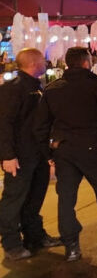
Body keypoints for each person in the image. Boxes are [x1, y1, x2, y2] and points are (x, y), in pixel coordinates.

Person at [31, 46, 97, 262]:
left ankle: (71, 246)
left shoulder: (52, 89)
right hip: (93, 149)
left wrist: (48, 153)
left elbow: (40, 126)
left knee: (66, 198)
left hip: (64, 150)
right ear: (86, 62)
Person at [0, 48, 61, 261]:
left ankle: (34, 236)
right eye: (42, 60)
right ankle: (11, 243)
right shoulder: (13, 89)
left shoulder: (37, 87)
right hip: (20, 155)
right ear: (34, 63)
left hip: (38, 153)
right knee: (14, 199)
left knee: (34, 198)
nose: (45, 63)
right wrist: (7, 155)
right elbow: (4, 124)